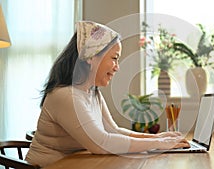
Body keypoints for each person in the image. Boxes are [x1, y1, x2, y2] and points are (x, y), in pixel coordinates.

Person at [25, 21, 190, 167]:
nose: (117, 67)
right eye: (114, 58)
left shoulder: (91, 92)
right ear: (91, 56)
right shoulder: (66, 96)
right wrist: (159, 144)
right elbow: (101, 143)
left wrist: (157, 139)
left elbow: (113, 130)